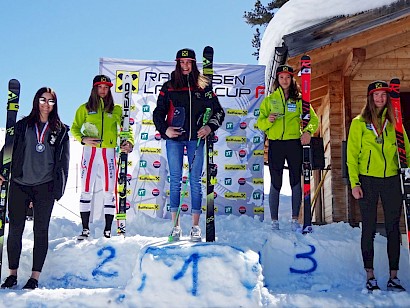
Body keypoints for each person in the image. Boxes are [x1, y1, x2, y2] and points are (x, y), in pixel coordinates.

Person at [0, 87, 70, 289]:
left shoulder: (61, 130)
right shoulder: (22, 126)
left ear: (55, 104)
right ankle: (12, 275)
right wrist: (1, 170)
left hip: (45, 187)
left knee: (41, 231)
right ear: (36, 101)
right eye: (42, 99)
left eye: (50, 101)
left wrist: (59, 189)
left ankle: (34, 277)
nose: (46, 104)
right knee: (15, 230)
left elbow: (64, 162)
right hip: (19, 184)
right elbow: (7, 149)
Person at [153, 48, 225, 241]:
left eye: (189, 62)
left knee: (195, 181)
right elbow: (158, 113)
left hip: (196, 139)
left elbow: (219, 112)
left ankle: (195, 227)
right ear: (178, 63)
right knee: (175, 180)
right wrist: (165, 130)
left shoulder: (203, 86)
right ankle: (175, 227)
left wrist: (209, 128)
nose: (185, 66)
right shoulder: (169, 86)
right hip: (174, 139)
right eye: (182, 62)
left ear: (194, 64)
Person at [347, 80, 408, 292]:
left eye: (383, 95)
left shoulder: (394, 122)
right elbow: (351, 156)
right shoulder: (359, 123)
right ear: (370, 98)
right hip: (367, 180)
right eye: (376, 95)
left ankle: (394, 276)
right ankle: (370, 275)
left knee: (393, 227)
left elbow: (406, 150)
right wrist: (354, 182)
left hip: (391, 179)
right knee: (369, 228)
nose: (380, 98)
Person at [71, 75, 134, 240]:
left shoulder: (116, 109)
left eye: (106, 87)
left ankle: (107, 230)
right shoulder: (84, 108)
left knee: (109, 191)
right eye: (100, 87)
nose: (103, 90)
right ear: (94, 88)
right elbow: (75, 128)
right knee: (86, 190)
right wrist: (83, 139)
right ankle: (85, 229)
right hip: (90, 153)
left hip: (109, 153)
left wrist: (129, 143)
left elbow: (127, 130)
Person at [257, 64, 318, 231]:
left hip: (294, 143)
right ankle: (274, 221)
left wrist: (308, 132)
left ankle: (294, 219)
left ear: (292, 79)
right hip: (276, 143)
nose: (284, 80)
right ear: (278, 79)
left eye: (288, 77)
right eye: (281, 77)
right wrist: (267, 120)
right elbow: (259, 123)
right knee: (276, 181)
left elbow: (314, 120)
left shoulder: (299, 99)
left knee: (294, 180)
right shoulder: (270, 100)